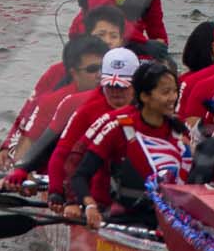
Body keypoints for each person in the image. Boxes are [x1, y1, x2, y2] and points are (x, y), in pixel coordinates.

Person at [11, 45, 141, 207]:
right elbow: (59, 153)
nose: (116, 92)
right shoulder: (82, 107)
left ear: (137, 84)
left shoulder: (151, 106)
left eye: (122, 86)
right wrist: (56, 193)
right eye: (110, 85)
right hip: (94, 191)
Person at [65, 60, 188, 229]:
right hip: (128, 219)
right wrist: (89, 206)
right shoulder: (119, 128)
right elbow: (80, 176)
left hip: (171, 219)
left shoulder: (180, 131)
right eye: (166, 92)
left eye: (175, 91)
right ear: (144, 96)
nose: (173, 98)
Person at [0, 34, 109, 170]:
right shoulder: (52, 103)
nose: (100, 74)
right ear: (74, 73)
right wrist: (7, 152)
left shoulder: (120, 94)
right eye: (92, 69)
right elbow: (22, 154)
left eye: (104, 67)